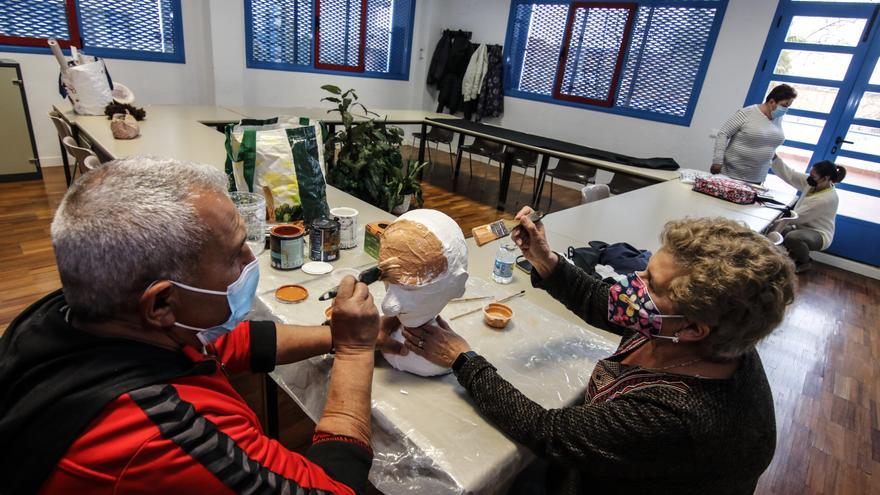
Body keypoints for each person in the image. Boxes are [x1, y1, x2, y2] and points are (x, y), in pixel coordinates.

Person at [0, 156, 405, 494]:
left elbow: (228, 344)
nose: (251, 262)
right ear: (161, 302)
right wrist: (354, 351)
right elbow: (331, 489)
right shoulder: (166, 436)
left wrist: (336, 335)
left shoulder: (72, 314)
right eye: (234, 255)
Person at [402, 208, 796, 495]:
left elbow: (549, 433)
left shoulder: (682, 417)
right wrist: (544, 259)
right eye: (645, 268)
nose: (633, 281)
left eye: (651, 283)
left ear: (694, 328)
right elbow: (602, 300)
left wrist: (463, 359)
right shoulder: (692, 332)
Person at [771, 157, 846, 272]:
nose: (809, 178)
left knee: (792, 237)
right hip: (801, 225)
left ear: (826, 178)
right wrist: (774, 158)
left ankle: (805, 262)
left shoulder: (826, 199)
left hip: (819, 234)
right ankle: (788, 256)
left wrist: (772, 218)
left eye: (813, 176)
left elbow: (797, 217)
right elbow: (791, 175)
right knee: (779, 231)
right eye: (810, 174)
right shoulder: (814, 183)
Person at [711, 84, 798, 183]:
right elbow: (723, 133)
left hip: (757, 178)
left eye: (788, 106)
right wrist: (718, 161)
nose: (786, 109)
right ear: (772, 101)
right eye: (784, 105)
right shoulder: (747, 113)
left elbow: (768, 143)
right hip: (732, 174)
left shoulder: (778, 119)